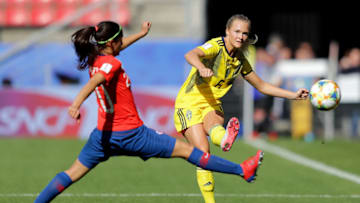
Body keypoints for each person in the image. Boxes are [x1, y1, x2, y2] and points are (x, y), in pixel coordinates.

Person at [34, 20, 265, 203]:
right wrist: (76, 103)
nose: (123, 42)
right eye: (121, 39)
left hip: (102, 136)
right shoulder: (111, 65)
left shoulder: (98, 57)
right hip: (133, 134)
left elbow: (111, 56)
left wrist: (140, 35)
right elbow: (96, 80)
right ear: (112, 43)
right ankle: (241, 170)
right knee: (189, 152)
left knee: (70, 174)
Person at [174, 14, 309, 203]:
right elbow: (191, 54)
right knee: (203, 154)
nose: (241, 36)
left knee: (214, 129)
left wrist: (293, 95)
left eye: (245, 33)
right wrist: (201, 67)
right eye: (237, 31)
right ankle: (212, 194)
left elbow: (262, 85)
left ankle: (223, 139)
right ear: (227, 31)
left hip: (211, 103)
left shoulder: (240, 60)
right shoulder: (215, 46)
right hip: (188, 102)